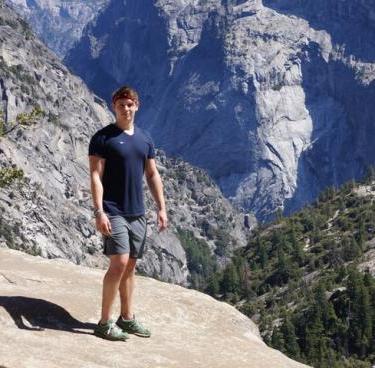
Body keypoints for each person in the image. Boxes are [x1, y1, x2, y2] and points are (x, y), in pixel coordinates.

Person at [88, 85, 167, 341]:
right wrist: (99, 211)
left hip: (137, 212)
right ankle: (104, 322)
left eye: (130, 104)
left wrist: (161, 208)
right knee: (119, 262)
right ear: (114, 107)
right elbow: (95, 176)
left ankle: (127, 318)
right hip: (113, 210)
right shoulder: (103, 138)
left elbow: (152, 174)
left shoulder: (145, 139)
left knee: (131, 267)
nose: (126, 109)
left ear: (137, 106)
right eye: (121, 105)